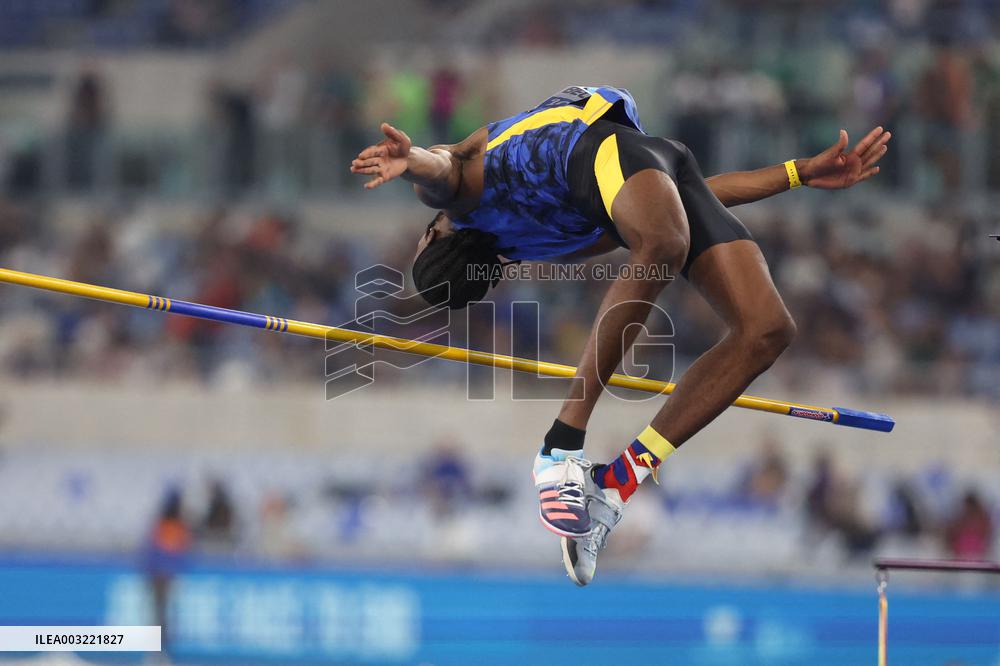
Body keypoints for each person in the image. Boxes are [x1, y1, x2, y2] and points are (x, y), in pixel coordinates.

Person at [350, 85, 890, 585]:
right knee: (667, 249)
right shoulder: (463, 209)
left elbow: (437, 165)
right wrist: (415, 161)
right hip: (605, 150)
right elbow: (442, 171)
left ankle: (612, 480)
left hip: (641, 157)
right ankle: (565, 452)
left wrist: (799, 173)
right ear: (435, 235)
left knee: (766, 331)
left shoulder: (520, 230)